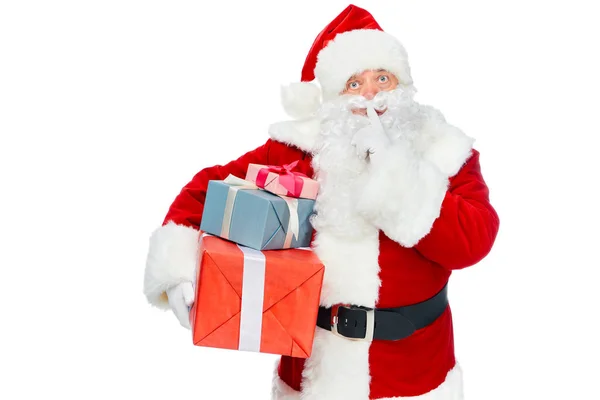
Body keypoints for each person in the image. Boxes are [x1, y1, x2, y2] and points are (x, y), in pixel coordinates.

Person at [143, 4, 499, 400]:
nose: (370, 93)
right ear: (331, 98)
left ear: (404, 86)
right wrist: (178, 268)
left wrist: (397, 174)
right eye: (353, 83)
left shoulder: (445, 151)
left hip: (415, 375)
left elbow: (473, 241)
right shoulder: (299, 150)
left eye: (383, 77)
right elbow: (206, 190)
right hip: (314, 375)